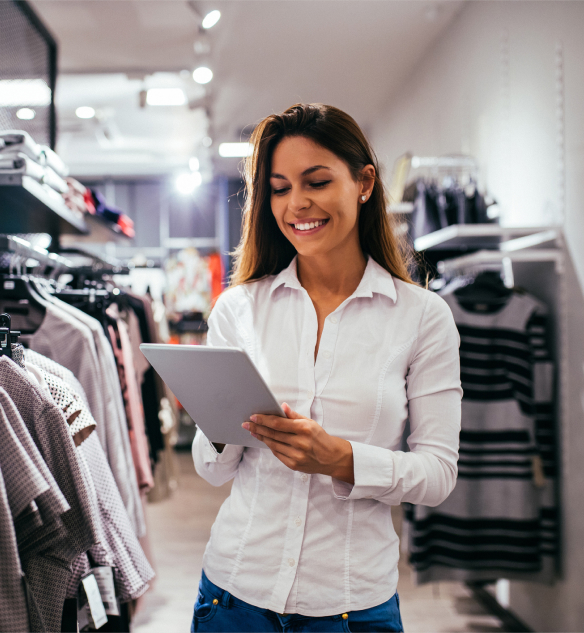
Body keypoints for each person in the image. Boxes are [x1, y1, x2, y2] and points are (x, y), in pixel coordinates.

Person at [191, 103, 462, 632]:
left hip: (350, 604)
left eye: (316, 181)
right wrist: (221, 423)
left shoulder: (422, 318)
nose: (297, 204)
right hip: (232, 595)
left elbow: (438, 474)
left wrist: (342, 459)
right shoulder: (239, 309)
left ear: (364, 183)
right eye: (279, 187)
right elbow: (212, 470)